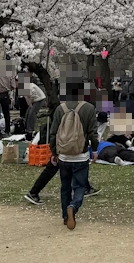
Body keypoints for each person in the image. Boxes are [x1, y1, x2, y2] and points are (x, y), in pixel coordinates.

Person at [48, 78, 99, 230]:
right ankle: (74, 206)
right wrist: (95, 150)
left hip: (63, 155)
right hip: (80, 155)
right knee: (80, 186)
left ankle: (65, 216)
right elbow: (93, 133)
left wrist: (53, 152)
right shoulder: (88, 108)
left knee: (65, 187)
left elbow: (53, 133)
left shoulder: (60, 109)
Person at [22, 68, 47, 139]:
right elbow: (26, 98)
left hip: (39, 99)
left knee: (32, 113)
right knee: (27, 113)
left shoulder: (27, 85)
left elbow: (28, 97)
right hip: (34, 100)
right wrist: (29, 105)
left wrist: (30, 105)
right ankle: (26, 129)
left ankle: (30, 131)